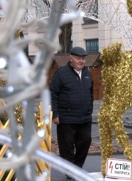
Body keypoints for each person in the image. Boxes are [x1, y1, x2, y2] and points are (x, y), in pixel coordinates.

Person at [49, 46, 93, 180]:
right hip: (66, 118)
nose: (81, 61)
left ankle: (77, 168)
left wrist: (89, 109)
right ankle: (70, 172)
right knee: (66, 147)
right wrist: (55, 113)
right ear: (71, 59)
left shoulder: (87, 73)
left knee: (85, 142)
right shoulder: (61, 73)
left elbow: (90, 93)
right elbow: (52, 93)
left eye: (83, 59)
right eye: (78, 58)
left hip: (84, 118)